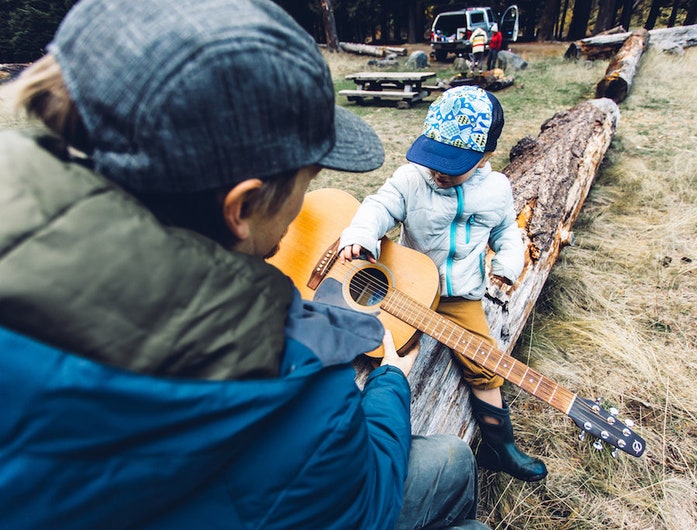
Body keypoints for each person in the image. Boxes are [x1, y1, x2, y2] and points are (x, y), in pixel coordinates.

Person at [0, 1, 490, 529]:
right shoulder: (299, 379)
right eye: (310, 178)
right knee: (457, 471)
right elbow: (364, 506)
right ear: (240, 207)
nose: (309, 199)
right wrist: (391, 383)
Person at [339, 86, 549, 484]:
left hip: (459, 296)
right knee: (374, 345)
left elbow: (507, 232)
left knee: (485, 363)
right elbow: (379, 205)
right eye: (432, 157)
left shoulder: (496, 189)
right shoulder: (411, 180)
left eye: (451, 164)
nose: (438, 170)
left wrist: (508, 260)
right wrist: (363, 233)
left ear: (486, 156)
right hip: (407, 283)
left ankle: (499, 446)